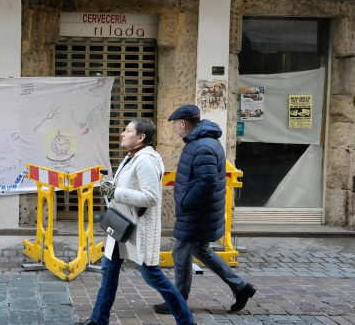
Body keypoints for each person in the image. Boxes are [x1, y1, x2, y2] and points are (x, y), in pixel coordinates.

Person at [79, 118, 195, 325]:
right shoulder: (131, 157)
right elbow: (126, 188)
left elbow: (151, 197)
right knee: (108, 271)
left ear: (141, 137)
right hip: (121, 227)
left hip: (138, 229)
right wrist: (110, 187)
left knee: (153, 276)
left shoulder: (145, 160)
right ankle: (98, 319)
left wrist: (115, 192)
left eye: (128, 130)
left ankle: (186, 321)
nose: (122, 134)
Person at [153, 105, 257, 315]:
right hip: (202, 212)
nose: (175, 128)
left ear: (183, 123)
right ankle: (241, 287)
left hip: (198, 213)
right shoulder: (203, 142)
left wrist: (185, 202)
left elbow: (207, 182)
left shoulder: (202, 146)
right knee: (201, 250)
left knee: (180, 254)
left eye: (175, 124)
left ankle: (178, 301)